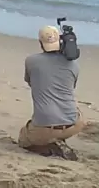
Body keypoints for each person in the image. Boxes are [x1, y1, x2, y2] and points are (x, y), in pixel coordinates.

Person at [18, 25, 85, 160]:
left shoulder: (31, 61)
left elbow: (30, 82)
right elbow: (71, 87)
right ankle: (59, 138)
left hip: (44, 125)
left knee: (23, 139)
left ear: (40, 43)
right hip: (73, 123)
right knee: (75, 109)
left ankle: (48, 146)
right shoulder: (73, 65)